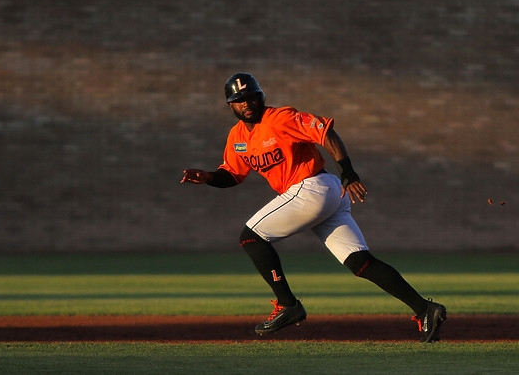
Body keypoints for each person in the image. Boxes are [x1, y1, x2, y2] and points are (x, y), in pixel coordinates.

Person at [180, 72, 447, 343]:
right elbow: (232, 175)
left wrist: (348, 172)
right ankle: (426, 309)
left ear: (261, 97)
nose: (246, 103)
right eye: (239, 99)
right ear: (230, 105)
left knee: (251, 237)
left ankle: (288, 305)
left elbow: (324, 131)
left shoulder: (280, 118)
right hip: (322, 195)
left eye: (251, 97)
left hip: (313, 187)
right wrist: (209, 177)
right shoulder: (237, 136)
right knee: (360, 262)